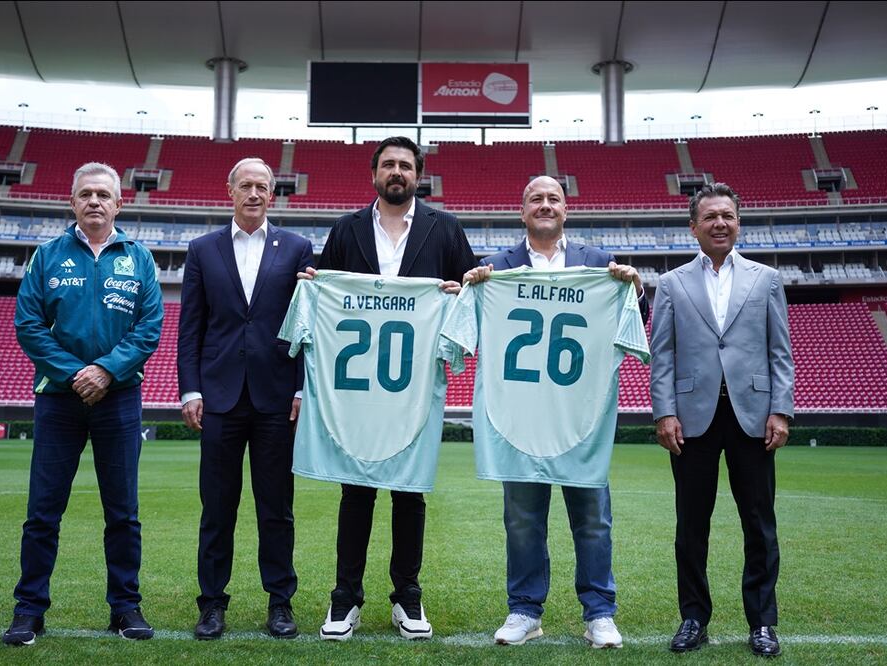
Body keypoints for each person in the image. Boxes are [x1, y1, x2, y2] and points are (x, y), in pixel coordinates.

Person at [301, 136, 475, 640]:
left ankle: (407, 595)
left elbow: (471, 297)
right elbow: (326, 294)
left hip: (415, 386)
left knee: (409, 493)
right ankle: (345, 596)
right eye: (388, 165)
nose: (397, 172)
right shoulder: (346, 228)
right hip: (358, 389)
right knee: (355, 490)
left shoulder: (445, 228)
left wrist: (456, 293)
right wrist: (314, 285)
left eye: (405, 165)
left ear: (418, 175)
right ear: (374, 173)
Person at [462, 176, 648, 648]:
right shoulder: (495, 268)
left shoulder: (599, 264)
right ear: (522, 211)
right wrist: (468, 288)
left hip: (579, 417)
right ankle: (525, 610)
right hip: (521, 419)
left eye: (553, 199)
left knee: (593, 519)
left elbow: (630, 322)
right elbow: (467, 325)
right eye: (535, 199)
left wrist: (634, 289)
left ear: (566, 209)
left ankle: (599, 612)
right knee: (522, 521)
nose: (545, 205)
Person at [5, 162, 163, 646]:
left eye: (103, 194)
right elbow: (28, 325)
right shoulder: (47, 256)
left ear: (119, 204)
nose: (95, 201)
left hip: (119, 399)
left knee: (123, 513)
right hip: (59, 399)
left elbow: (149, 327)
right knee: (43, 511)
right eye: (86, 194)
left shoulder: (139, 258)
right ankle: (29, 609)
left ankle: (125, 607)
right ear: (72, 202)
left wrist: (107, 370)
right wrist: (76, 373)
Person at [650, 182, 794, 657]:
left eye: (727, 215)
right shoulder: (671, 284)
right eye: (710, 216)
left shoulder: (766, 279)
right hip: (692, 419)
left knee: (759, 523)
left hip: (753, 415)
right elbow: (662, 356)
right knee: (691, 526)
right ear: (693, 227)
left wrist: (781, 409)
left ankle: (763, 622)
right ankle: (693, 618)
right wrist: (665, 412)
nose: (720, 223)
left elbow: (779, 351)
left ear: (738, 223)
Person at [177, 157, 313, 640]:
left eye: (262, 186)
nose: (254, 193)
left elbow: (305, 325)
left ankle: (280, 602)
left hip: (276, 397)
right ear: (229, 190)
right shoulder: (202, 249)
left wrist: (301, 386)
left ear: (272, 195)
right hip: (219, 397)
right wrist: (190, 388)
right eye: (246, 185)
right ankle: (212, 604)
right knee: (217, 508)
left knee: (276, 508)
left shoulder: (297, 248)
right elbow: (191, 326)